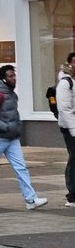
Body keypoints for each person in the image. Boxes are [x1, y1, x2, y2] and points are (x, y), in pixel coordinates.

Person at [0, 65, 48, 210]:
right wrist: (6, 127)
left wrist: (14, 129)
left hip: (11, 139)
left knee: (21, 168)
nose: (14, 78)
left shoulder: (12, 95)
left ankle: (31, 200)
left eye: (14, 75)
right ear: (4, 79)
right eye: (10, 76)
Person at [56, 63, 75, 208]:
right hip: (70, 128)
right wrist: (73, 129)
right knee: (74, 159)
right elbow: (64, 109)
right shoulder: (65, 83)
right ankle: (72, 196)